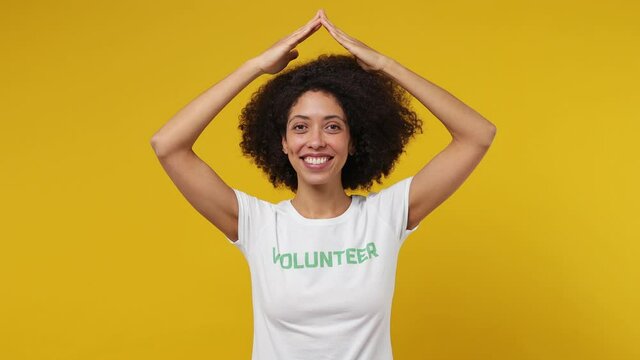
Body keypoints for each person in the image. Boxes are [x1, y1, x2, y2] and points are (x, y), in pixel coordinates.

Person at [150, 9, 496, 360]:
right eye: (300, 127)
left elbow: (477, 135)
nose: (316, 141)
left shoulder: (384, 217)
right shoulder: (258, 224)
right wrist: (256, 66)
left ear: (353, 140)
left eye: (332, 126)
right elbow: (168, 146)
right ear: (282, 142)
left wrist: (385, 65)